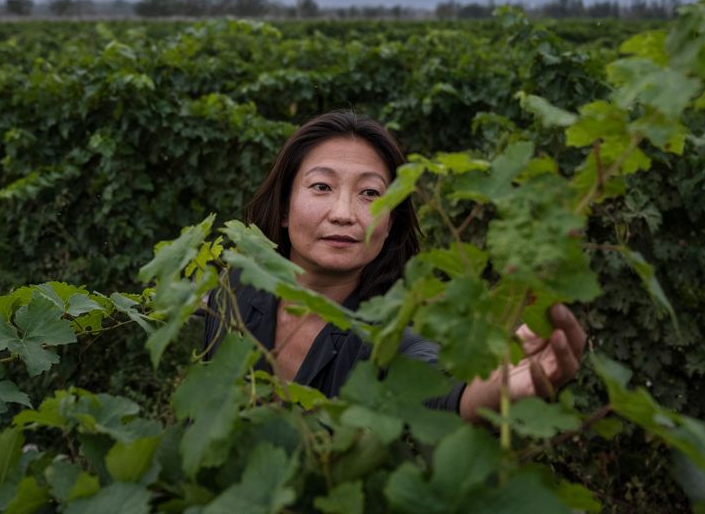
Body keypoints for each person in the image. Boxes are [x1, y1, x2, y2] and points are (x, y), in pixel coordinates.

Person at [202, 111, 586, 423]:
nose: (344, 214)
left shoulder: (392, 336)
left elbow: (436, 384)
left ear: (390, 224)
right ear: (284, 207)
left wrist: (477, 399)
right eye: (322, 187)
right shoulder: (235, 290)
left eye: (370, 193)